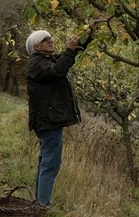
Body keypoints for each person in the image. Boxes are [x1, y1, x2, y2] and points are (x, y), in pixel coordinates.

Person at [25, 29, 91, 208]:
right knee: (51, 164)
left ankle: (39, 204)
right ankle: (43, 205)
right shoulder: (37, 64)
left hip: (48, 119)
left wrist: (89, 32)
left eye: (50, 38)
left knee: (45, 161)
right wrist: (69, 51)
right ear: (36, 46)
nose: (51, 41)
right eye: (46, 40)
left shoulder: (45, 60)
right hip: (48, 121)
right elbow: (58, 71)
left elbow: (71, 53)